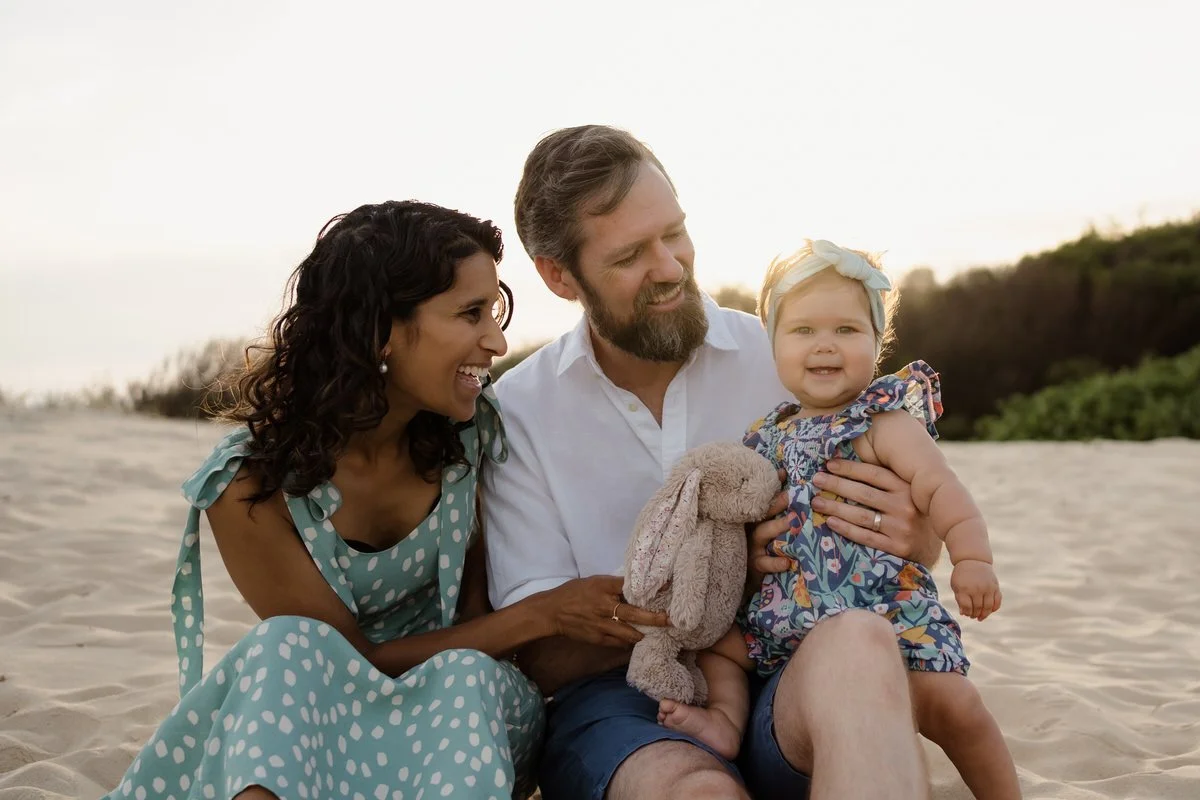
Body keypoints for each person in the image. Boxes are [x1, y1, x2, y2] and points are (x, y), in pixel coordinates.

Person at [104, 200, 667, 800]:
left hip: (465, 715)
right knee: (285, 645)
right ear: (382, 331)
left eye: (495, 310)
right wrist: (543, 613)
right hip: (327, 719)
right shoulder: (247, 484)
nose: (497, 341)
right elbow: (344, 664)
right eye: (471, 313)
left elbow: (482, 634)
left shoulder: (471, 440)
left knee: (464, 673)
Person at [484, 125, 942, 800]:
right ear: (559, 276)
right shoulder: (516, 413)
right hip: (623, 704)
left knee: (863, 644)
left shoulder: (786, 358)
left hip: (789, 670)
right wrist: (719, 585)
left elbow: (917, 540)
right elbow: (541, 656)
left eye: (675, 233)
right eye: (631, 255)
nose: (669, 266)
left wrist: (915, 533)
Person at [655, 239, 1020, 800]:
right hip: (788, 628)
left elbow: (944, 489)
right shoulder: (764, 437)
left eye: (847, 331)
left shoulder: (884, 423)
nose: (825, 345)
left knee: (958, 707)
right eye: (802, 331)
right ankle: (725, 723)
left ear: (878, 341)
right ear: (772, 343)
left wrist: (973, 559)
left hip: (890, 620)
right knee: (720, 649)